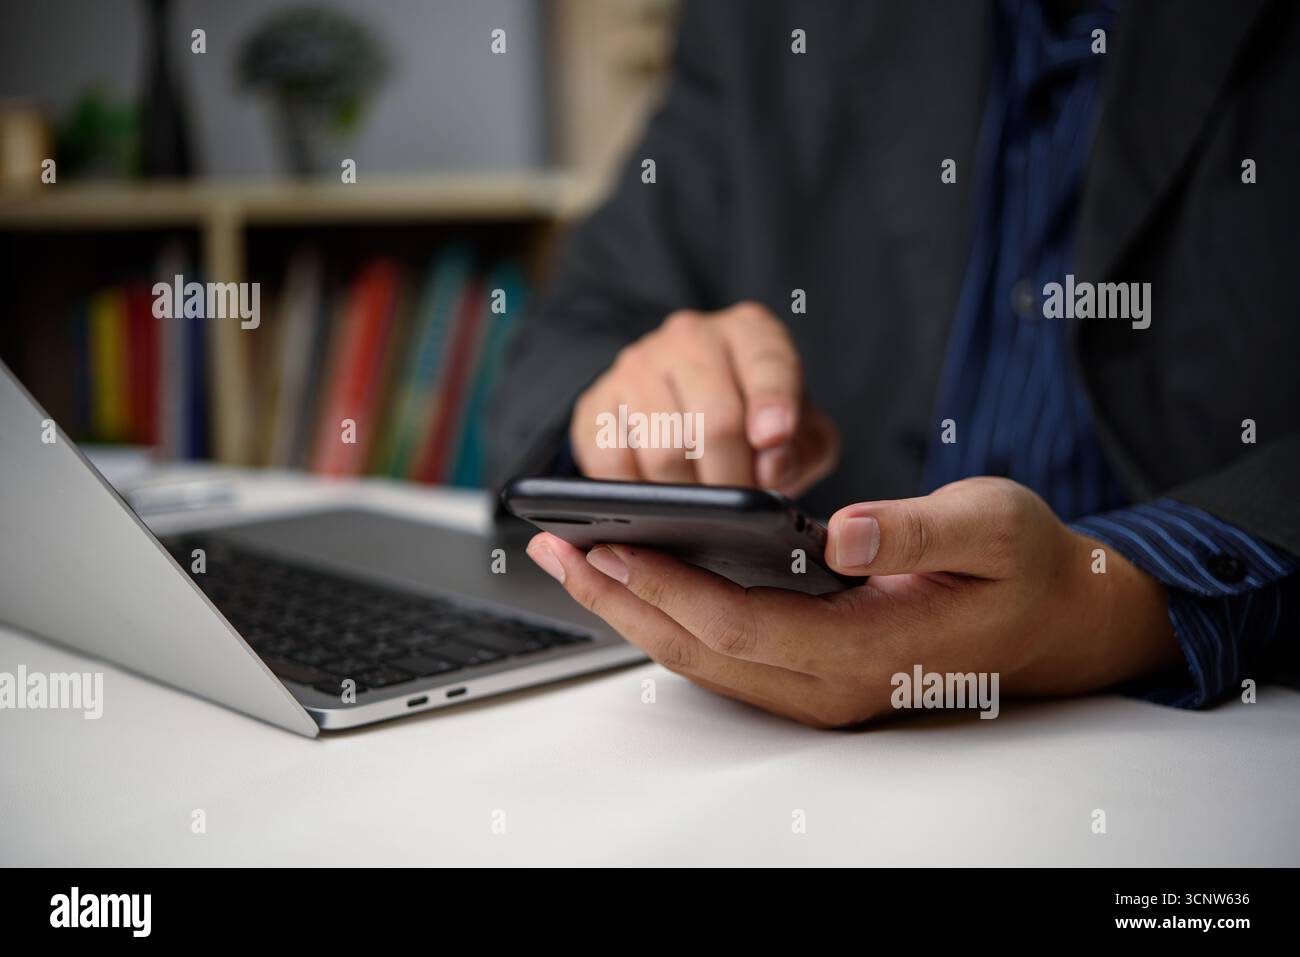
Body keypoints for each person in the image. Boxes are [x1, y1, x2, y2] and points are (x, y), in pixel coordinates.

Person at [489, 0, 1299, 727]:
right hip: (793, 727)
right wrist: (625, 410)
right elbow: (575, 324)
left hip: (1222, 725)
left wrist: (1103, 602)